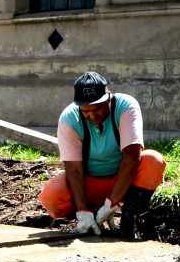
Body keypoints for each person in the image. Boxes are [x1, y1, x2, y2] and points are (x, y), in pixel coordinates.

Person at [38, 71, 166, 239]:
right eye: (86, 111)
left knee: (153, 161)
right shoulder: (69, 119)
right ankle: (88, 217)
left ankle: (129, 216)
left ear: (109, 97)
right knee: (51, 197)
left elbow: (131, 157)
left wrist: (112, 203)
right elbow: (74, 169)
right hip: (90, 182)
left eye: (97, 108)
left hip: (124, 181)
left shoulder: (126, 106)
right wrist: (83, 211)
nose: (92, 115)